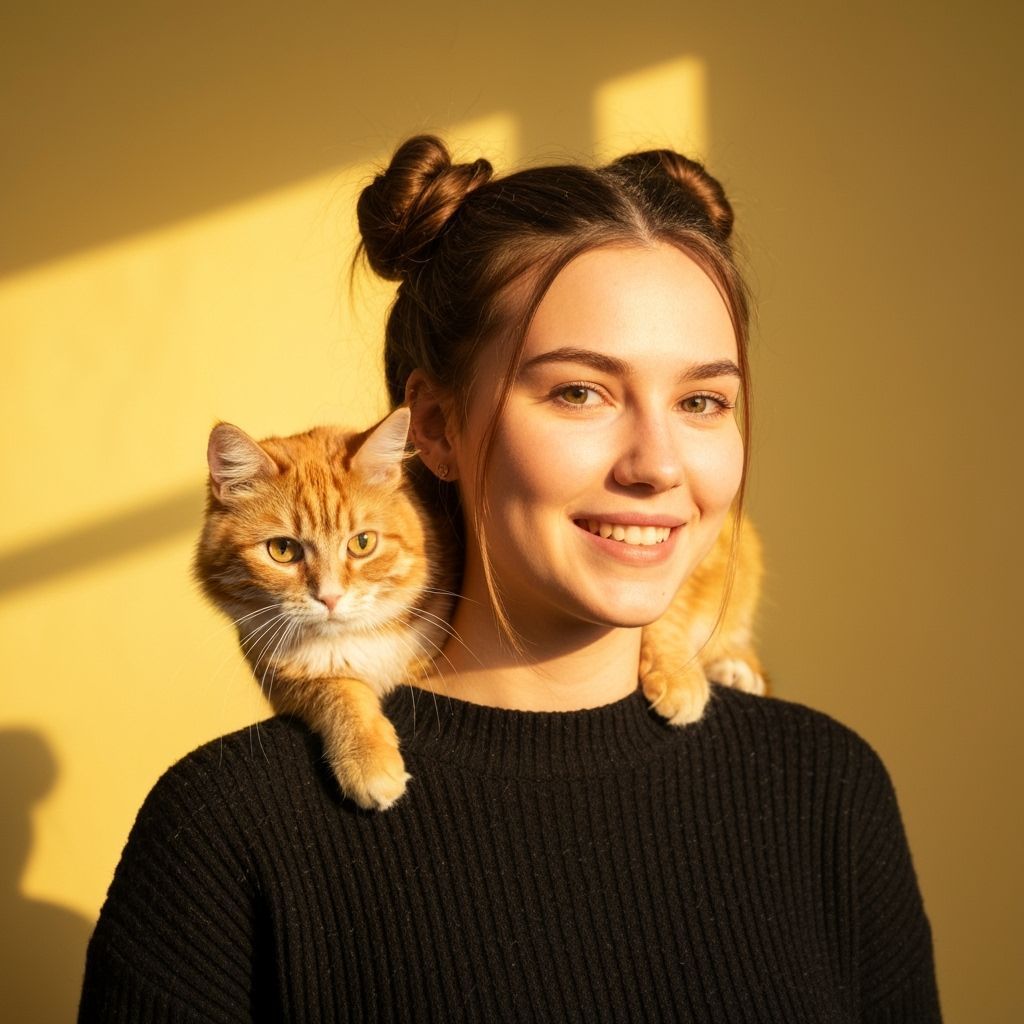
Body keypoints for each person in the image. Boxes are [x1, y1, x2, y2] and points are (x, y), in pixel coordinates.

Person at [78, 135, 941, 1021]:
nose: (658, 466)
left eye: (701, 402)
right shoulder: (228, 830)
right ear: (439, 430)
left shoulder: (826, 788)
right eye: (581, 392)